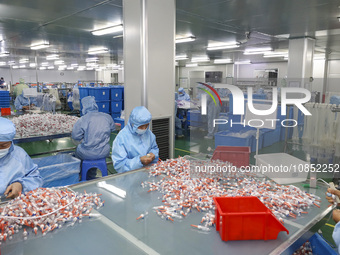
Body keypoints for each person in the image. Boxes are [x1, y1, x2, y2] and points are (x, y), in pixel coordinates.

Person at [71, 96, 115, 180]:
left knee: (78, 151)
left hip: (87, 153)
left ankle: (82, 175)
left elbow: (75, 136)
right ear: (95, 105)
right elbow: (113, 128)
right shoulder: (107, 117)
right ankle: (92, 174)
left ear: (84, 107)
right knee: (94, 154)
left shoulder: (83, 119)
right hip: (104, 151)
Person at [0, 117, 42, 198]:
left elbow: (35, 177)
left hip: (12, 205)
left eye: (3, 146)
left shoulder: (19, 155)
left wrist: (21, 185)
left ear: (11, 141)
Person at [111, 106, 159, 173]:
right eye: (141, 126)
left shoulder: (149, 134)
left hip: (148, 173)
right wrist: (139, 161)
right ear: (133, 124)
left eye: (146, 125)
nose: (144, 129)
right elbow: (119, 165)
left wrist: (153, 154)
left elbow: (154, 148)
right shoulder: (122, 138)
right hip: (130, 177)